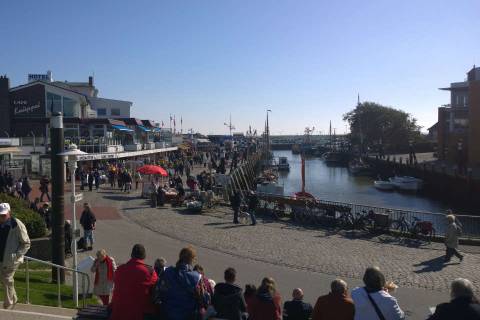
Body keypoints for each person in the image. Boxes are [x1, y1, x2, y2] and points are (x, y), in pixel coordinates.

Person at [110, 244, 158, 320]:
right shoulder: (150, 272)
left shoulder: (120, 269)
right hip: (137, 314)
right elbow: (156, 288)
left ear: (132, 254)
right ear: (144, 256)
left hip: (117, 313)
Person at [154, 246, 203, 320]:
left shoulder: (167, 271)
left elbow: (158, 291)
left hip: (166, 312)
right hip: (185, 315)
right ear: (191, 260)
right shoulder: (195, 277)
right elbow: (203, 299)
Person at [0, 203, 31, 309]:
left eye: (4, 215)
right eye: (0, 215)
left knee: (7, 278)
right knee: (4, 279)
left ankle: (8, 302)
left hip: (12, 259)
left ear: (9, 213)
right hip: (2, 257)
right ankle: (14, 297)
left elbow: (26, 243)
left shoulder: (17, 224)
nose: (2, 217)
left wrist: (16, 255)